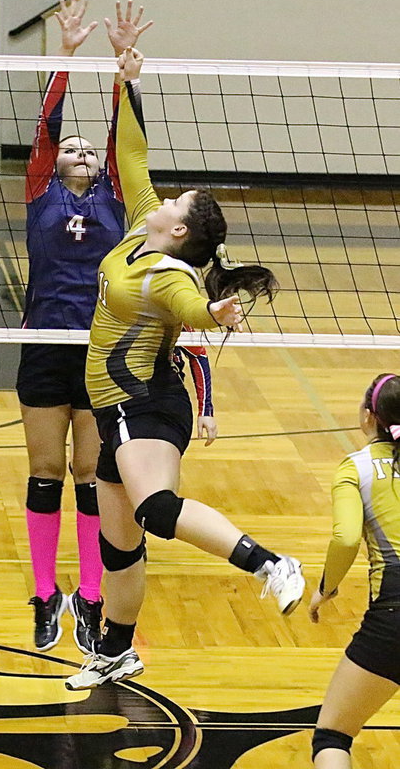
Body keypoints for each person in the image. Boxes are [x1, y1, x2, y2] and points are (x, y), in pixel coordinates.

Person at [65, 47, 305, 691]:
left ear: (180, 232)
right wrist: (127, 84)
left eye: (176, 201)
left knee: (156, 511)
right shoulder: (144, 227)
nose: (164, 198)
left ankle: (270, 563)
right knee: (120, 547)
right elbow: (132, 160)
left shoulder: (166, 272)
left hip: (142, 403)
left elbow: (186, 305)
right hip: (115, 408)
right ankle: (116, 650)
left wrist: (211, 311)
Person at [17, 0, 153, 654]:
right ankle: (46, 594)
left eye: (86, 150)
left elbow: (121, 141)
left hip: (100, 351)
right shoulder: (39, 191)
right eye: (67, 147)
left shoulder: (116, 199)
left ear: (99, 166)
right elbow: (47, 126)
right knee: (45, 472)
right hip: (44, 345)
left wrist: (122, 76)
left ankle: (93, 597)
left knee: (92, 478)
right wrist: (65, 57)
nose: (77, 151)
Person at [308, 373, 400, 768]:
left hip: (394, 613)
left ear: (368, 416)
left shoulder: (356, 468)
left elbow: (345, 539)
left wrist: (326, 588)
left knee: (333, 735)